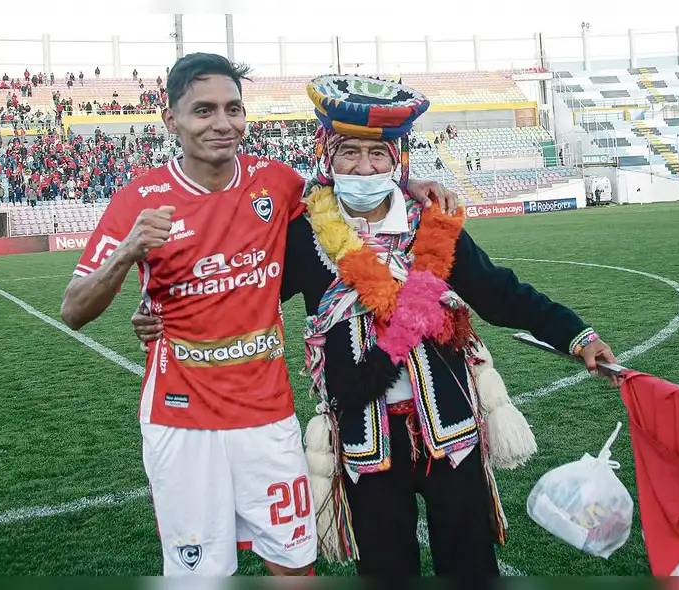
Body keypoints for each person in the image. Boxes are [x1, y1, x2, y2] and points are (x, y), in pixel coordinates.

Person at [131, 73, 620, 577]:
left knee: (471, 565)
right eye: (349, 153)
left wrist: (576, 334)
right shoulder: (304, 236)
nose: (363, 167)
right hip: (366, 435)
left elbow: (500, 293)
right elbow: (243, 292)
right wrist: (162, 310)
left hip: (451, 430)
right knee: (387, 572)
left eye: (378, 155)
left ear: (397, 161)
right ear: (326, 155)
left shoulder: (431, 223)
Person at [60, 54, 456, 578]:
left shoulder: (278, 183)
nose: (222, 124)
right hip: (180, 417)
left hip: (266, 414)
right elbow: (73, 310)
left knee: (294, 564)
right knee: (200, 574)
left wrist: (414, 186)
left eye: (233, 109)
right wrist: (128, 252)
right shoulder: (139, 199)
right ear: (170, 120)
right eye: (203, 110)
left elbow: (351, 184)